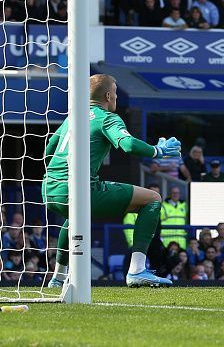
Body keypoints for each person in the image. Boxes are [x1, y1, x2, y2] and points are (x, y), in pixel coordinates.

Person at [43, 74, 176, 288]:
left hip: (49, 189)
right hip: (77, 189)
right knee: (152, 199)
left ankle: (58, 278)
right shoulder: (107, 117)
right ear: (107, 95)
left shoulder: (73, 117)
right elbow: (129, 145)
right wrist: (157, 151)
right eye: (115, 92)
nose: (116, 97)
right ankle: (137, 270)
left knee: (75, 215)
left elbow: (49, 149)